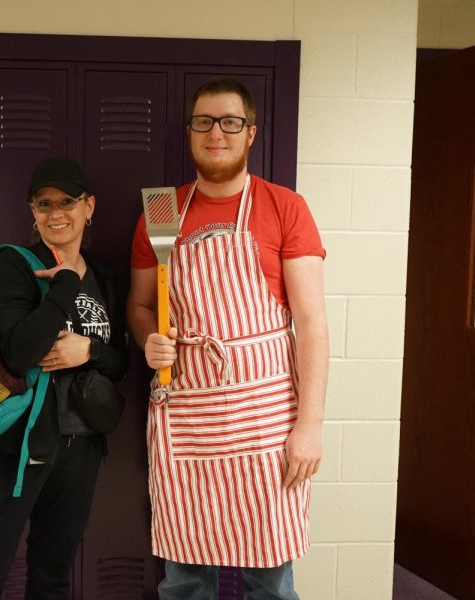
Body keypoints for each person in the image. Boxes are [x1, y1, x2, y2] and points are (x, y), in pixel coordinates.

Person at [127, 77, 329, 599]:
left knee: (270, 578)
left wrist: (309, 426)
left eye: (230, 122)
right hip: (186, 413)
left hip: (264, 421)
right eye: (204, 122)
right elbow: (141, 305)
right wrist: (150, 339)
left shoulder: (285, 206)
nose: (216, 133)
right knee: (185, 577)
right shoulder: (161, 210)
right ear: (190, 132)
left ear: (250, 133)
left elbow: (311, 323)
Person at [0, 157, 128, 600]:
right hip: (19, 445)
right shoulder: (15, 264)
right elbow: (19, 352)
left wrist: (87, 351)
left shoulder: (105, 278)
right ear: (31, 211)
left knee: (52, 577)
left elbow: (121, 363)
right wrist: (65, 283)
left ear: (89, 206)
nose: (55, 214)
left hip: (81, 447)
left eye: (66, 202)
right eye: (43, 203)